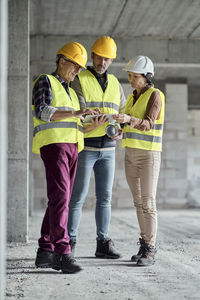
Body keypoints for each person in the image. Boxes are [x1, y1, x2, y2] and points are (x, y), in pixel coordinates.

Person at [32, 42, 96, 274]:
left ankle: (45, 251)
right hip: (55, 145)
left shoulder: (70, 90)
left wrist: (90, 122)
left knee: (60, 199)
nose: (78, 71)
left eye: (80, 68)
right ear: (61, 61)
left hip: (72, 147)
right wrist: (76, 112)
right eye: (75, 66)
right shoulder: (45, 81)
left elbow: (73, 122)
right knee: (60, 198)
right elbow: (42, 111)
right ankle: (61, 252)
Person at [67, 36, 126, 259]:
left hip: (109, 149)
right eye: (100, 57)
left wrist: (121, 129)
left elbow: (121, 110)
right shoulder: (79, 79)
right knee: (78, 197)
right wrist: (94, 124)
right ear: (92, 55)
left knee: (105, 197)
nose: (103, 62)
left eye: (107, 58)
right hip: (86, 147)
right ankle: (69, 243)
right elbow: (79, 111)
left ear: (111, 60)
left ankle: (103, 243)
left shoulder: (115, 83)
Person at [113, 55, 165, 266]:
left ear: (147, 77)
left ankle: (151, 249)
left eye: (135, 76)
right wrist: (120, 130)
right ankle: (144, 244)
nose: (131, 80)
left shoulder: (155, 95)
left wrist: (128, 120)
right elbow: (130, 127)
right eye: (130, 76)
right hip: (131, 155)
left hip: (148, 155)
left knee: (148, 202)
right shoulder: (132, 97)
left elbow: (148, 124)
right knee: (138, 202)